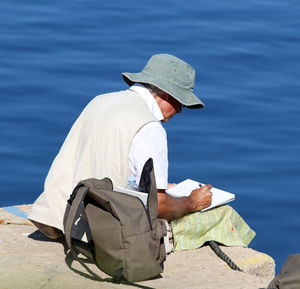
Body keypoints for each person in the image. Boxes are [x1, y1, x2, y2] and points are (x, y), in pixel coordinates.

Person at [28, 53, 213, 240]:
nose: (180, 110)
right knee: (215, 219)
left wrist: (158, 187)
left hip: (52, 216)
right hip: (91, 232)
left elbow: (100, 163)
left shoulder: (100, 100)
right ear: (166, 94)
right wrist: (191, 202)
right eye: (180, 102)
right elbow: (158, 205)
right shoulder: (149, 126)